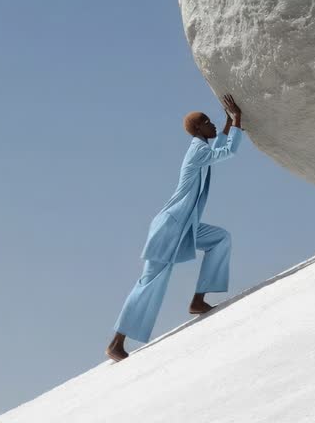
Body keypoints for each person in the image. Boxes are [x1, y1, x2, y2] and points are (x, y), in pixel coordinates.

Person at [106, 94, 247, 362]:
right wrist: (237, 120)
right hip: (169, 227)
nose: (212, 124)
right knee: (149, 283)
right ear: (197, 130)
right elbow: (226, 151)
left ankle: (197, 300)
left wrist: (228, 123)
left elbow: (218, 146)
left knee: (220, 239)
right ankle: (116, 343)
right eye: (207, 122)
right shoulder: (197, 150)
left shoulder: (202, 147)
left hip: (186, 226)